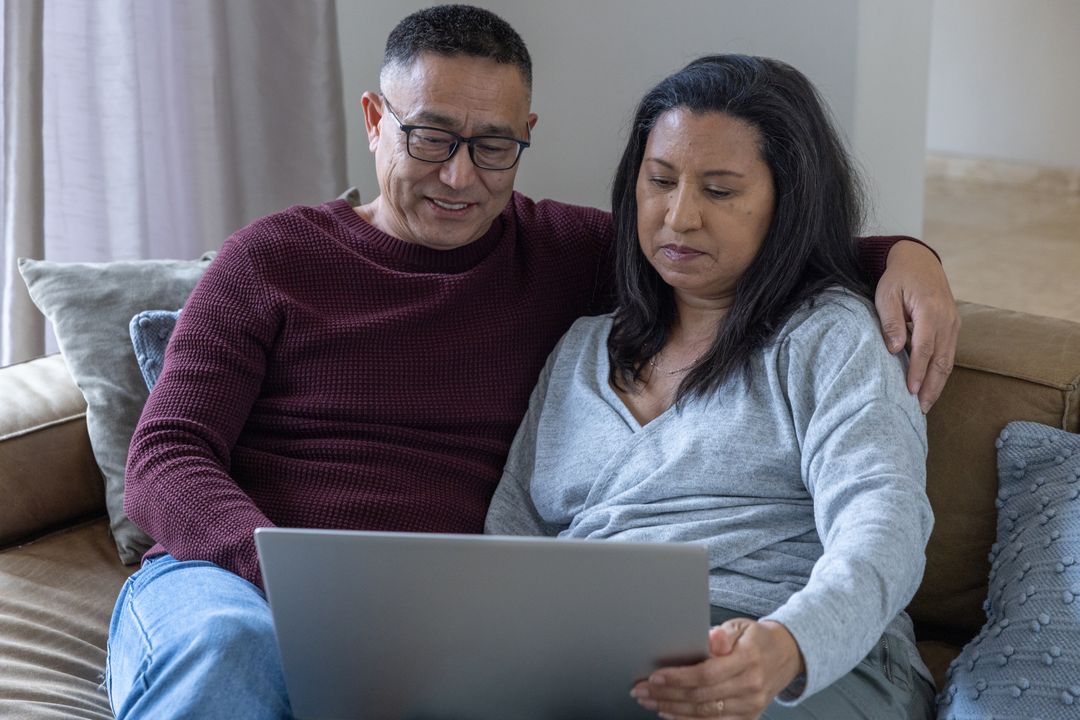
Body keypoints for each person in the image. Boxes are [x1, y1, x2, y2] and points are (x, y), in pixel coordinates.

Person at [107, 5, 953, 718]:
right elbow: (164, 455)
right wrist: (284, 573)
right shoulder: (270, 258)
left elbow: (733, 246)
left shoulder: (569, 258)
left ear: (527, 138)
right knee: (232, 648)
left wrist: (905, 255)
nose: (460, 177)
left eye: (493, 145)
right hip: (232, 576)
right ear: (374, 121)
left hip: (441, 625)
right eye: (431, 138)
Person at [485, 53, 935, 720]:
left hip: (797, 655)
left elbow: (884, 520)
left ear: (788, 202)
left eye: (720, 191)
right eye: (660, 180)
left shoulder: (830, 336)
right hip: (601, 661)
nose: (679, 216)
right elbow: (509, 542)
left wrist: (786, 646)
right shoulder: (581, 349)